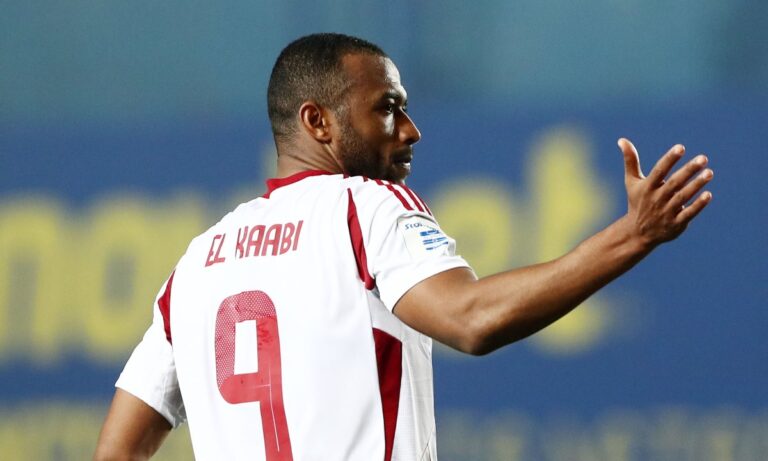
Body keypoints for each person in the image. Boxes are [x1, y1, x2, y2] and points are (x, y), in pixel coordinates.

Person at [93, 33, 714, 461]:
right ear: (317, 121)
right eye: (388, 108)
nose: (411, 130)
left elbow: (118, 450)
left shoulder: (196, 264)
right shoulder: (363, 206)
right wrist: (632, 235)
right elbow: (472, 319)